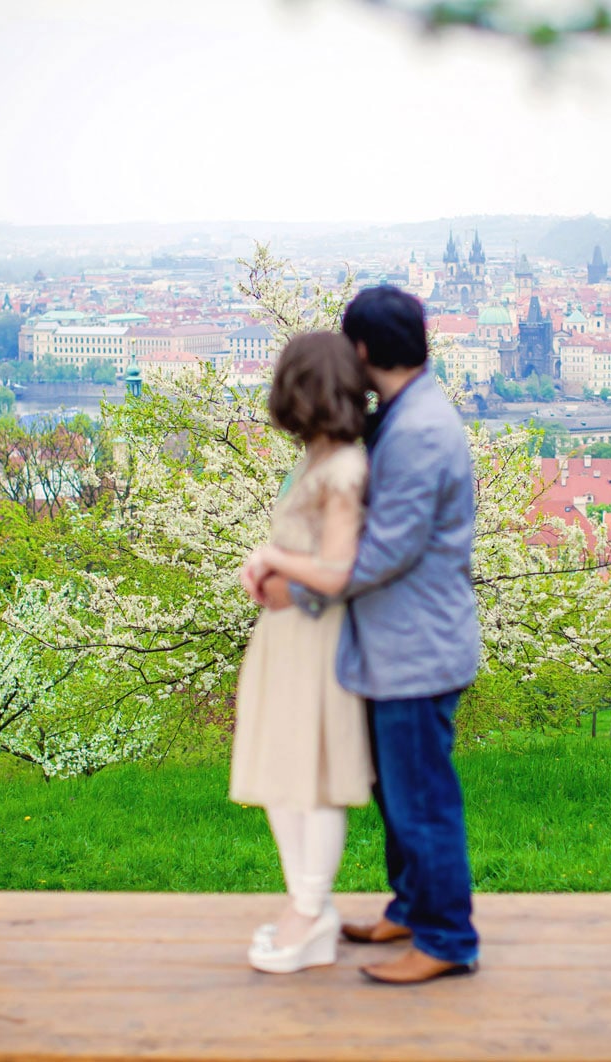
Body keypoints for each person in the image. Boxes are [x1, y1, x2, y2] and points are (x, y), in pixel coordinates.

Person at [248, 285, 481, 985]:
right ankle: (412, 907)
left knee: (423, 803)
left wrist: (293, 584)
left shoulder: (419, 433)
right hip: (396, 645)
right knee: (400, 798)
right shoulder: (407, 414)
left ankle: (446, 940)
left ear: (362, 350)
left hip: (416, 650)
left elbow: (378, 557)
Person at [230, 330, 374, 975]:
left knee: (312, 778)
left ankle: (311, 911)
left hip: (317, 641)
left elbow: (339, 568)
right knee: (285, 774)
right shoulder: (319, 458)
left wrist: (271, 559)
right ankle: (304, 905)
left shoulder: (342, 467)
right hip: (287, 637)